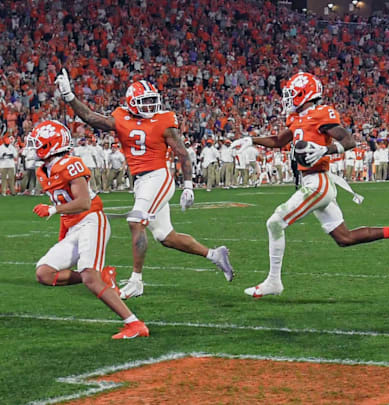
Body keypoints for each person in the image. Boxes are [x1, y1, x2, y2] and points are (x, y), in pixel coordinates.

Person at [241, 72, 389, 298]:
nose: (287, 99)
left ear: (304, 94)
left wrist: (325, 150)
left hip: (318, 183)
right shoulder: (296, 118)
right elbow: (278, 141)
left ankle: (273, 281)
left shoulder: (321, 113)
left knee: (275, 222)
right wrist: (251, 140)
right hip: (315, 183)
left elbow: (348, 141)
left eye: (291, 94)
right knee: (344, 238)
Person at [55, 69, 234, 299]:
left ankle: (136, 281)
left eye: (152, 101)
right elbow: (90, 117)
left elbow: (182, 153)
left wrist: (188, 185)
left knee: (135, 220)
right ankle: (214, 254)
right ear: (132, 102)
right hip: (141, 182)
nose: (150, 106)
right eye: (145, 101)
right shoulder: (121, 118)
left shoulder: (164, 121)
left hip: (158, 176)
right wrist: (69, 95)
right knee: (165, 236)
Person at [27, 120, 148, 339]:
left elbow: (83, 202)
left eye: (39, 143)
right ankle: (103, 277)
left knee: (90, 278)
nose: (35, 147)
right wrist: (62, 235)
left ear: (52, 144)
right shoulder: (43, 171)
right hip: (74, 227)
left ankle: (135, 324)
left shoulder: (70, 164)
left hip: (92, 221)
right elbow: (67, 212)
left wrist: (52, 209)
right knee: (44, 273)